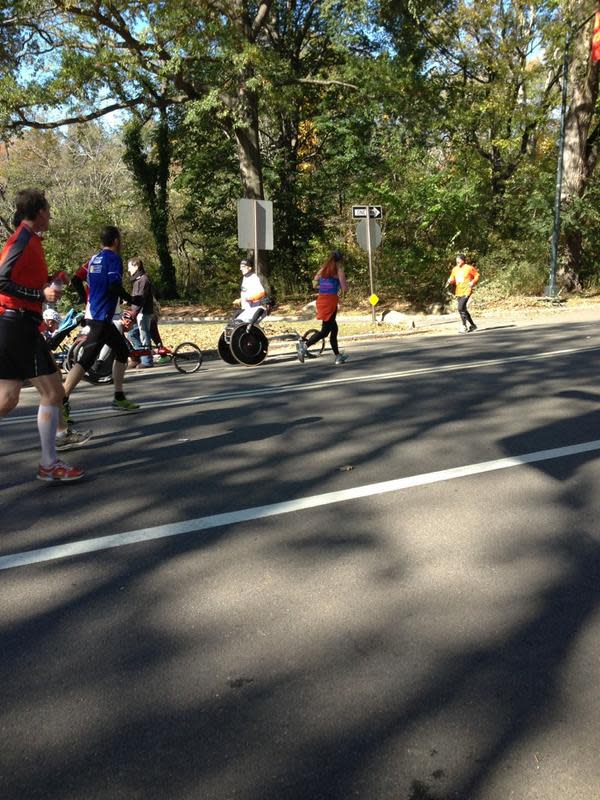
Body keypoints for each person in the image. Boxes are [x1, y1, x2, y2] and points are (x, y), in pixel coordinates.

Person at [0, 188, 85, 481]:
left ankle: (50, 463)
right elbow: (1, 281)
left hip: (17, 324)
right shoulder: (21, 239)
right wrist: (39, 292)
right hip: (18, 324)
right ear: (38, 212)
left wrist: (50, 283)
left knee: (8, 398)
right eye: (48, 210)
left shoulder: (32, 241)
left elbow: (23, 283)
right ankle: (49, 464)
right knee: (53, 392)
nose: (50, 215)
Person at [62, 225, 138, 413]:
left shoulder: (93, 259)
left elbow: (75, 279)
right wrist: (131, 299)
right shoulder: (113, 259)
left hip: (95, 314)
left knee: (121, 351)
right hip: (102, 317)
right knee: (85, 361)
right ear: (116, 241)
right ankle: (60, 401)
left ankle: (119, 397)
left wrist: (84, 299)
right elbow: (113, 285)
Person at [296, 250, 349, 365]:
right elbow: (345, 289)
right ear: (340, 261)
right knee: (325, 331)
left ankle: (338, 356)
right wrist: (342, 284)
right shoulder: (339, 271)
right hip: (330, 302)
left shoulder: (323, 270)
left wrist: (323, 286)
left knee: (333, 329)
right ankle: (304, 347)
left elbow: (314, 283)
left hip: (321, 300)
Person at [127, 257, 154, 367]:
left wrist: (134, 312)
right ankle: (138, 357)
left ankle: (147, 361)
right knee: (131, 334)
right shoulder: (137, 280)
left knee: (144, 335)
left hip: (143, 312)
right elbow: (135, 298)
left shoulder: (143, 279)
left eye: (129, 267)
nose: (128, 270)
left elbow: (141, 298)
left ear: (136, 266)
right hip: (138, 312)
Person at [446, 254, 480, 333]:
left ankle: (464, 326)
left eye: (459, 260)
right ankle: (473, 325)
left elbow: (477, 275)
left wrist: (473, 282)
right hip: (459, 291)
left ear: (463, 260)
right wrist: (450, 280)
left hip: (467, 290)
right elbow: (453, 278)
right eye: (456, 260)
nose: (457, 261)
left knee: (460, 308)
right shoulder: (455, 269)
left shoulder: (469, 268)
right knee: (463, 309)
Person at [234, 257, 268, 322]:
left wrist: (251, 298)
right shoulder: (245, 277)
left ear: (249, 268)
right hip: (246, 310)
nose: (241, 269)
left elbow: (262, 293)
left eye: (243, 266)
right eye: (240, 267)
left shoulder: (254, 278)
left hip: (253, 311)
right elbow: (247, 292)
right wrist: (240, 299)